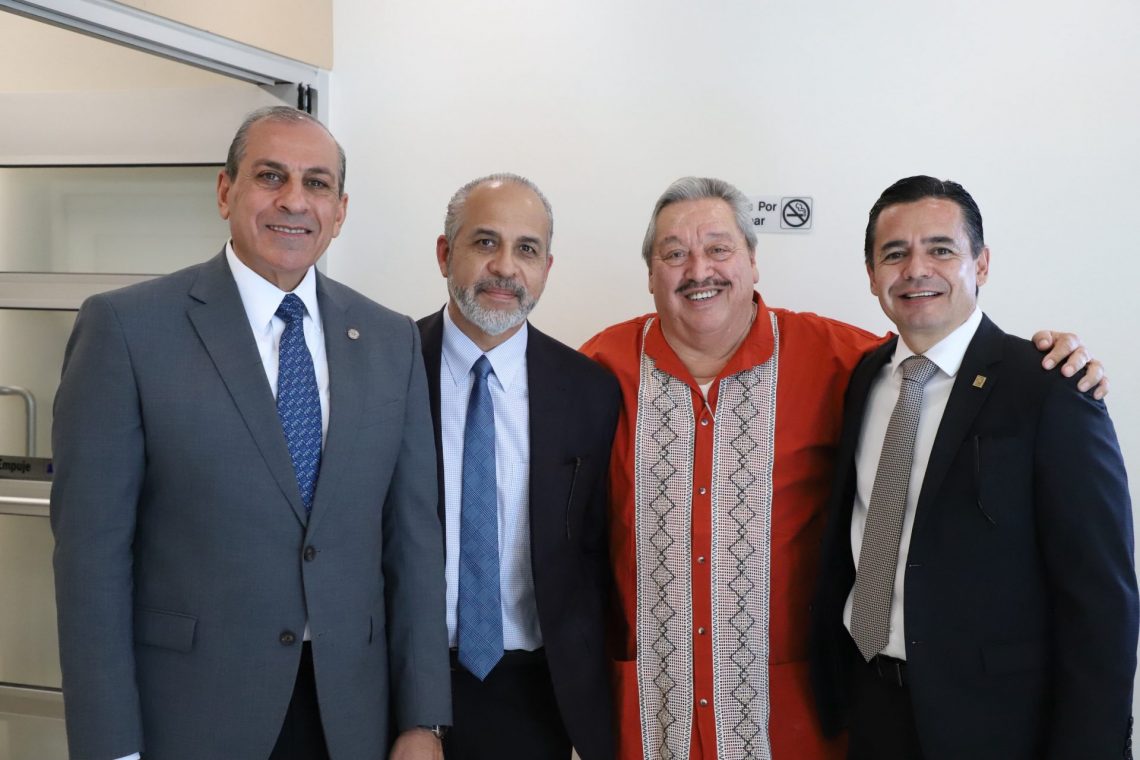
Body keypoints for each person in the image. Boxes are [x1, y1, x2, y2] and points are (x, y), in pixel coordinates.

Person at [579, 176, 1106, 760]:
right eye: (674, 254)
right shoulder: (595, 371)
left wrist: (1060, 360)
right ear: (651, 273)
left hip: (804, 722)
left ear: (752, 260)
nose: (699, 270)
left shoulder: (841, 359)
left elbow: (940, 350)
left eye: (719, 248)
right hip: (655, 716)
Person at [50, 106, 450, 760]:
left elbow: (413, 546)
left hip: (353, 719)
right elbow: (91, 562)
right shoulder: (127, 330)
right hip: (190, 717)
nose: (294, 200)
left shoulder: (390, 339)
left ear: (340, 211)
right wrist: (109, 749)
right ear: (225, 191)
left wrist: (422, 720)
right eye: (270, 176)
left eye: (317, 183)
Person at [810, 175, 1137, 760]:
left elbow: (1101, 601)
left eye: (941, 249)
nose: (916, 269)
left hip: (997, 721)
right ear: (872, 275)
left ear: (981, 264)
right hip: (871, 703)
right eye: (894, 253)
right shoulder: (863, 379)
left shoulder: (1050, 386)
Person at [417, 173, 620, 760]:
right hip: (408, 681)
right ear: (444, 253)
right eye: (485, 242)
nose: (505, 267)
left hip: (537, 691)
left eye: (526, 249)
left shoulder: (589, 389)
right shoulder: (388, 369)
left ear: (546, 268)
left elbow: (594, 548)